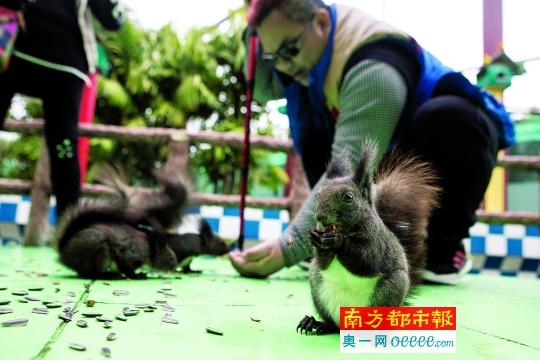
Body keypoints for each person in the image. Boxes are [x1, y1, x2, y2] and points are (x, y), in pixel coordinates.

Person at [228, 0, 515, 285]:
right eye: (272, 57)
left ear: (321, 23)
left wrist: (288, 246)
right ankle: (338, 241)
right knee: (305, 110)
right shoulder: (303, 56)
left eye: (289, 50)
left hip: (429, 145)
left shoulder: (373, 64)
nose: (283, 67)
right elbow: (265, 88)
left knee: (454, 118)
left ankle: (442, 247)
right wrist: (251, 31)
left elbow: (350, 168)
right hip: (380, 168)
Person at [0, 0, 123, 217]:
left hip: (17, 47)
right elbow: (112, 18)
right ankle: (71, 230)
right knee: (63, 146)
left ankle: (71, 225)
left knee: (64, 146)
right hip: (63, 62)